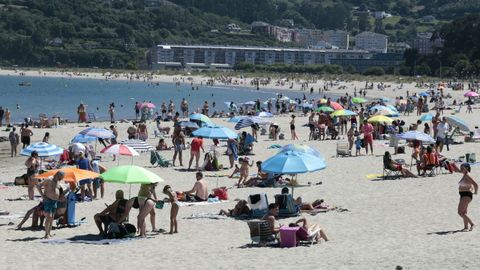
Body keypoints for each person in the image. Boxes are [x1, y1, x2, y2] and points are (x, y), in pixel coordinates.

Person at [38, 171, 65, 239]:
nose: (60, 179)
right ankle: (46, 234)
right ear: (57, 175)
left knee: (52, 217)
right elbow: (38, 186)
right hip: (48, 200)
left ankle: (49, 233)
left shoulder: (58, 181)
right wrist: (43, 196)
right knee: (49, 217)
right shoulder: (49, 179)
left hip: (55, 201)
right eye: (60, 178)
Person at [457, 163, 478, 231]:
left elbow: (476, 184)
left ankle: (472, 224)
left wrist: (475, 192)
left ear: (467, 168)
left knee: (460, 212)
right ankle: (466, 227)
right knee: (464, 212)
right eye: (461, 168)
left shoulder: (467, 175)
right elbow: (470, 184)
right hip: (463, 195)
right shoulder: (465, 175)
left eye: (462, 168)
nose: (461, 169)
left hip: (466, 195)